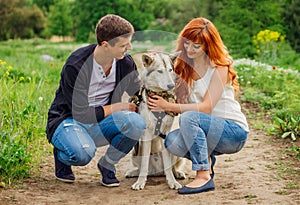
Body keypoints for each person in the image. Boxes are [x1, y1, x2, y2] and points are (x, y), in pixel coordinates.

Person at [147, 17, 249, 194]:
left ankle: (203, 175)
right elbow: (163, 85)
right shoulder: (183, 67)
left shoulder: (219, 67)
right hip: (205, 130)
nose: (189, 49)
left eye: (197, 46)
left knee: (190, 116)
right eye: (187, 43)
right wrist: (154, 62)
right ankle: (206, 158)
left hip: (232, 132)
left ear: (209, 45)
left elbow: (206, 107)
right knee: (172, 141)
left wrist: (168, 106)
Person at [46, 14, 146, 187]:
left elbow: (138, 92)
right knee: (82, 154)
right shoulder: (75, 65)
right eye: (124, 45)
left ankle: (107, 164)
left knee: (136, 123)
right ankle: (63, 155)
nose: (129, 47)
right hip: (69, 120)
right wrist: (118, 107)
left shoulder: (125, 63)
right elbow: (82, 114)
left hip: (99, 121)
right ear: (105, 45)